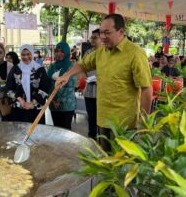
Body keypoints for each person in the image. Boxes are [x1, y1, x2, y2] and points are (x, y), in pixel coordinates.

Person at [56, 14, 152, 151]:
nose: (103, 37)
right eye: (101, 32)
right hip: (102, 119)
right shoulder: (101, 52)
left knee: (121, 167)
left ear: (121, 32)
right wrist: (67, 75)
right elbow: (83, 64)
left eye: (107, 33)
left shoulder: (135, 54)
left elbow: (146, 90)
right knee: (105, 164)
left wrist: (143, 121)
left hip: (124, 124)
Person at [6, 44, 49, 123]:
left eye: (28, 54)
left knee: (36, 133)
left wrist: (32, 103)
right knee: (19, 133)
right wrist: (20, 100)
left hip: (35, 109)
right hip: (18, 109)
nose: (25, 57)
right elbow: (8, 88)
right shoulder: (15, 69)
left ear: (32, 54)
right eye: (23, 54)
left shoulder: (39, 69)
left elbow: (45, 89)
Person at [47, 41, 76, 130]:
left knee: (66, 130)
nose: (59, 53)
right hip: (53, 103)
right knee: (56, 129)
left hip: (66, 104)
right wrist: (52, 99)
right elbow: (48, 83)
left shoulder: (71, 67)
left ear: (67, 52)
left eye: (62, 51)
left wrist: (58, 100)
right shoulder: (52, 66)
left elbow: (69, 85)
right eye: (57, 51)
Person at [83, 28, 103, 140]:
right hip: (89, 91)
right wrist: (86, 77)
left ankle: (102, 140)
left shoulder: (108, 53)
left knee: (102, 118)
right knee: (91, 117)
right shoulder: (88, 52)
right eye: (92, 37)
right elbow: (82, 68)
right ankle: (91, 139)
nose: (92, 40)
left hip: (102, 92)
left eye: (95, 38)